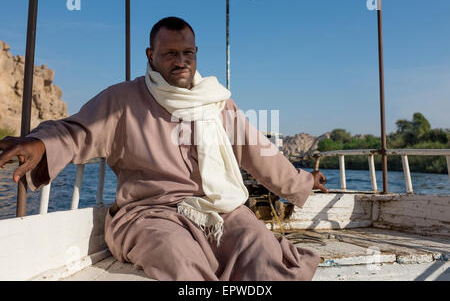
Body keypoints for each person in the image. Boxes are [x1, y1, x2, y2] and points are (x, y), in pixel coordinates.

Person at [0, 16, 328, 281]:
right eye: (171, 54)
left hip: (218, 208)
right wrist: (40, 143)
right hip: (149, 212)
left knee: (261, 249)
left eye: (188, 53)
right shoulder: (122, 100)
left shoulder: (216, 101)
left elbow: (257, 150)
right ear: (151, 55)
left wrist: (303, 181)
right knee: (181, 261)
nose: (182, 62)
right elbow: (76, 131)